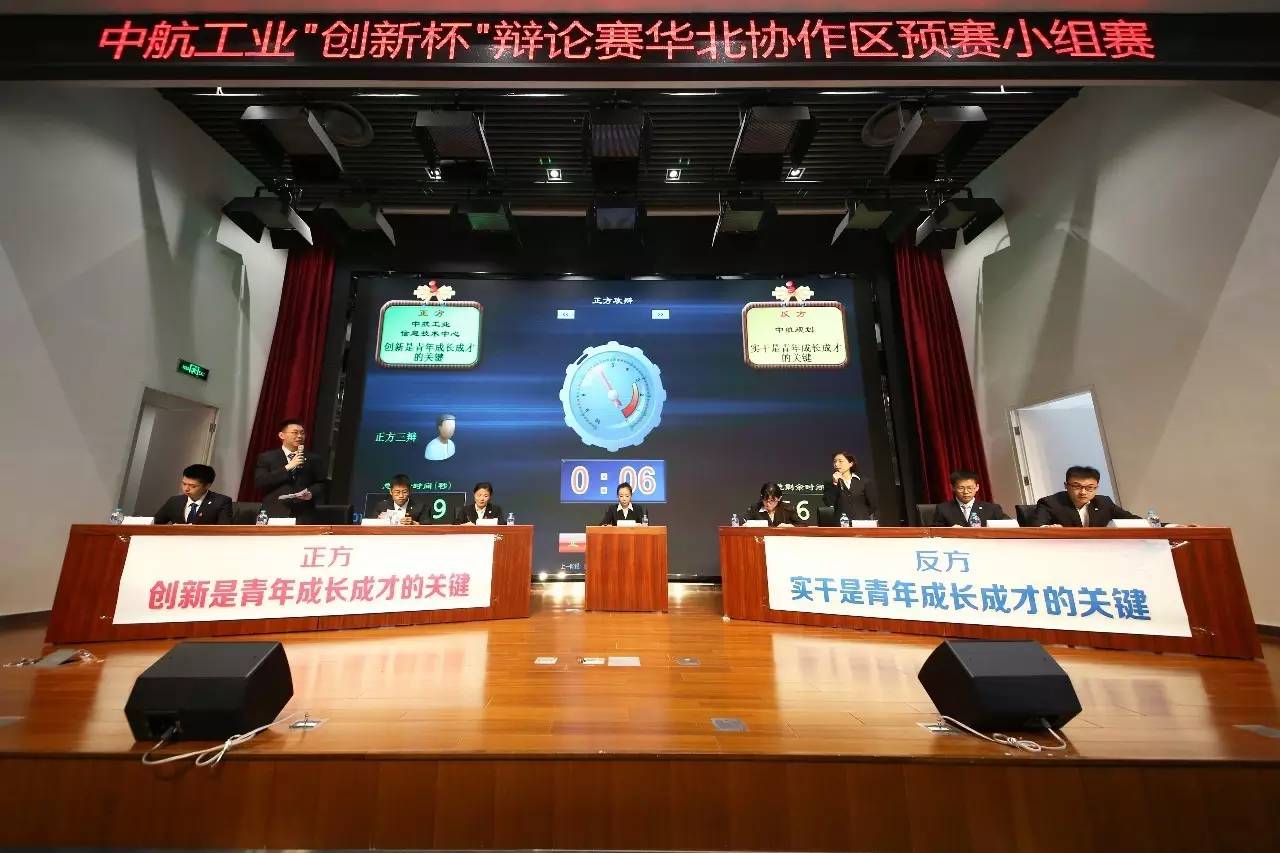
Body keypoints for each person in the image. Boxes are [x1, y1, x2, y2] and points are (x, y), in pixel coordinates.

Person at [253, 418, 324, 523]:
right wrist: (288, 467)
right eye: (295, 433)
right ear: (282, 435)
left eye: (302, 433)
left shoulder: (313, 459)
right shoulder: (267, 458)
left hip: (304, 514)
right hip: (274, 511)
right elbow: (260, 481)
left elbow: (322, 483)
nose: (299, 436)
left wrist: (311, 492)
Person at [1034, 465, 1140, 527]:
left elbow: (1131, 520)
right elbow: (1037, 528)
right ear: (1066, 486)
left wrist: (1147, 521)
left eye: (1089, 487)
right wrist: (1049, 528)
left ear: (1096, 488)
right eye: (1077, 486)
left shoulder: (1104, 502)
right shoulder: (1049, 503)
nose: (1083, 492)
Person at [153, 464, 233, 525]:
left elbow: (223, 530)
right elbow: (155, 523)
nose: (186, 489)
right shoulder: (174, 501)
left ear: (207, 486)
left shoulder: (221, 502)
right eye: (184, 484)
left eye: (193, 486)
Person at [932, 470, 1009, 527]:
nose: (966, 492)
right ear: (952, 488)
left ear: (977, 487)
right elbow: (934, 532)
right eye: (961, 488)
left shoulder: (992, 509)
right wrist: (950, 531)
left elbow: (1009, 525)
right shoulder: (943, 509)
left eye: (970, 488)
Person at [822, 450, 876, 521]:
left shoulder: (864, 482)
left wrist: (861, 515)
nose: (836, 464)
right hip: (841, 523)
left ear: (851, 463)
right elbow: (828, 502)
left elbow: (873, 505)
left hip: (861, 523)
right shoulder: (830, 484)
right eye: (834, 461)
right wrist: (835, 483)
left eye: (840, 461)